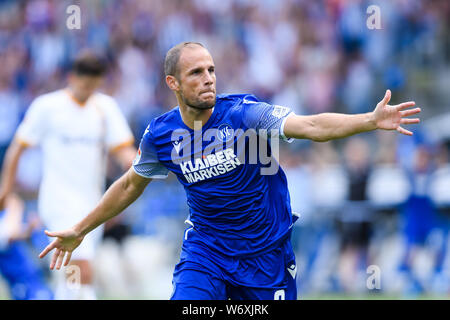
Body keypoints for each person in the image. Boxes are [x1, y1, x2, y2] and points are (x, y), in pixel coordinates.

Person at [38, 42, 421, 300]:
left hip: (266, 255)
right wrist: (80, 230)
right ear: (173, 83)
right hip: (206, 253)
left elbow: (312, 127)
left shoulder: (243, 114)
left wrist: (368, 121)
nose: (208, 78)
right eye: (196, 73)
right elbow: (128, 186)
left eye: (211, 70)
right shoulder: (161, 133)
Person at [0, 50, 136, 300]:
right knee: (79, 267)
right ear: (71, 77)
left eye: (94, 85)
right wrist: (4, 192)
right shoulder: (47, 107)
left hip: (93, 206)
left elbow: (124, 153)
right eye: (84, 84)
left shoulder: (106, 108)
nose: (88, 90)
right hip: (58, 200)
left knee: (74, 273)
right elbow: (16, 150)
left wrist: (147, 164)